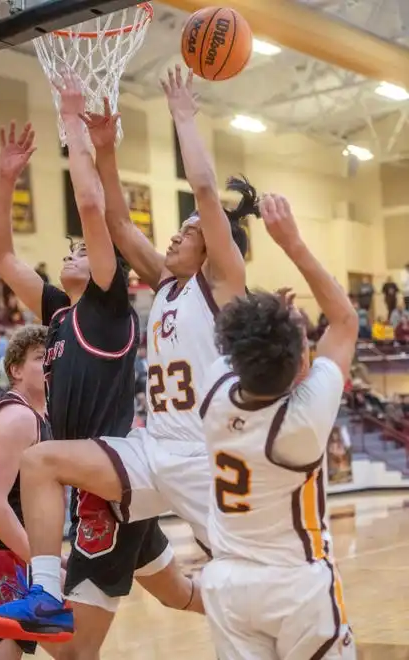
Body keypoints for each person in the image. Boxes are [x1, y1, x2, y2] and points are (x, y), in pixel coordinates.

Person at [0, 64, 260, 641]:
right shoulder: (165, 284)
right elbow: (121, 221)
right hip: (150, 448)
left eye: (189, 230)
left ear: (214, 243)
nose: (176, 235)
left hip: (203, 458)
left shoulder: (222, 284)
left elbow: (203, 193)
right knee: (40, 461)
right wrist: (105, 149)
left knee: (252, 577)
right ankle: (46, 594)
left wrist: (183, 117)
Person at [199, 193, 358, 660]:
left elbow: (242, 345)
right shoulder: (303, 423)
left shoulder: (213, 390)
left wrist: (277, 331)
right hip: (296, 586)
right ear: (298, 366)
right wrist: (292, 243)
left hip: (227, 585)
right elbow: (345, 321)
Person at [0, 325, 54, 659]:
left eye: (51, 357)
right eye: (38, 357)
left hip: (14, 550)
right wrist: (41, 560)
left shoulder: (41, 416)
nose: (48, 363)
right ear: (15, 370)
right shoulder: (18, 417)